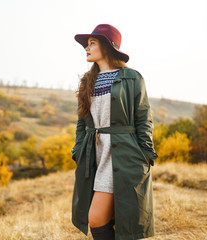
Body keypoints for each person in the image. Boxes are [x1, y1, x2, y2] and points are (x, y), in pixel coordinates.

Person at [71, 24, 158, 240]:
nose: (86, 48)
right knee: (108, 219)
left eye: (92, 43)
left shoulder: (132, 77)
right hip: (94, 155)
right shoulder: (87, 81)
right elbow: (82, 121)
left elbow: (143, 118)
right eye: (87, 44)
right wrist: (78, 150)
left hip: (122, 155)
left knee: (97, 218)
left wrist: (146, 155)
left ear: (108, 46)